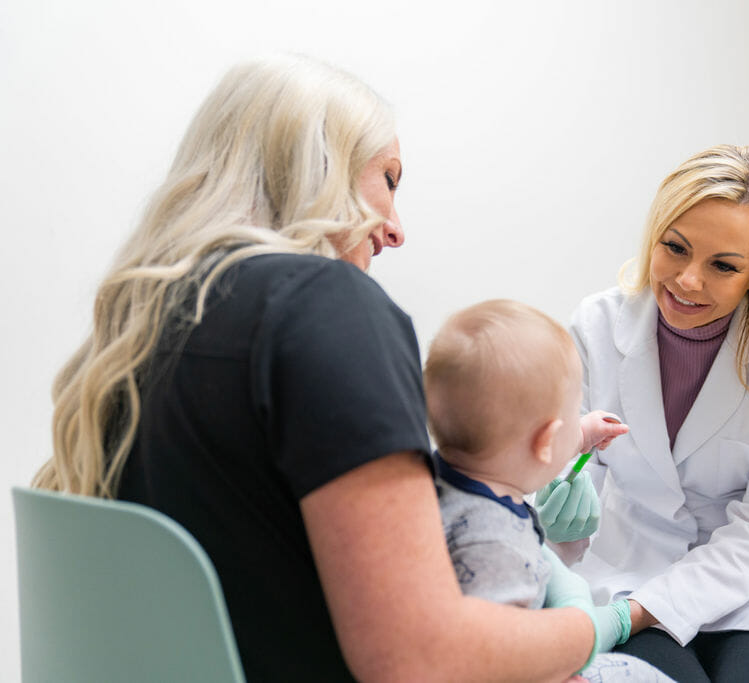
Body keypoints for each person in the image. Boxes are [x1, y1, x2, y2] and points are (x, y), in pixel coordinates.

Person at [32, 55, 611, 682]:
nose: (395, 230)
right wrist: (593, 624)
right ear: (314, 167)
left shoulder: (141, 323)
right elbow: (419, 660)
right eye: (388, 179)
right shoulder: (330, 305)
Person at [543, 145, 749, 683]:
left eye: (723, 266)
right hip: (628, 571)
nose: (687, 280)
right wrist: (558, 510)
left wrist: (630, 616)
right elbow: (577, 482)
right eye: (675, 248)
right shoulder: (596, 325)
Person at [422, 299, 673, 683]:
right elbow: (502, 658)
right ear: (546, 439)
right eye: (574, 414)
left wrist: (583, 433)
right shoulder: (494, 548)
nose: (578, 421)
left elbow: (522, 447)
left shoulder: (452, 477)